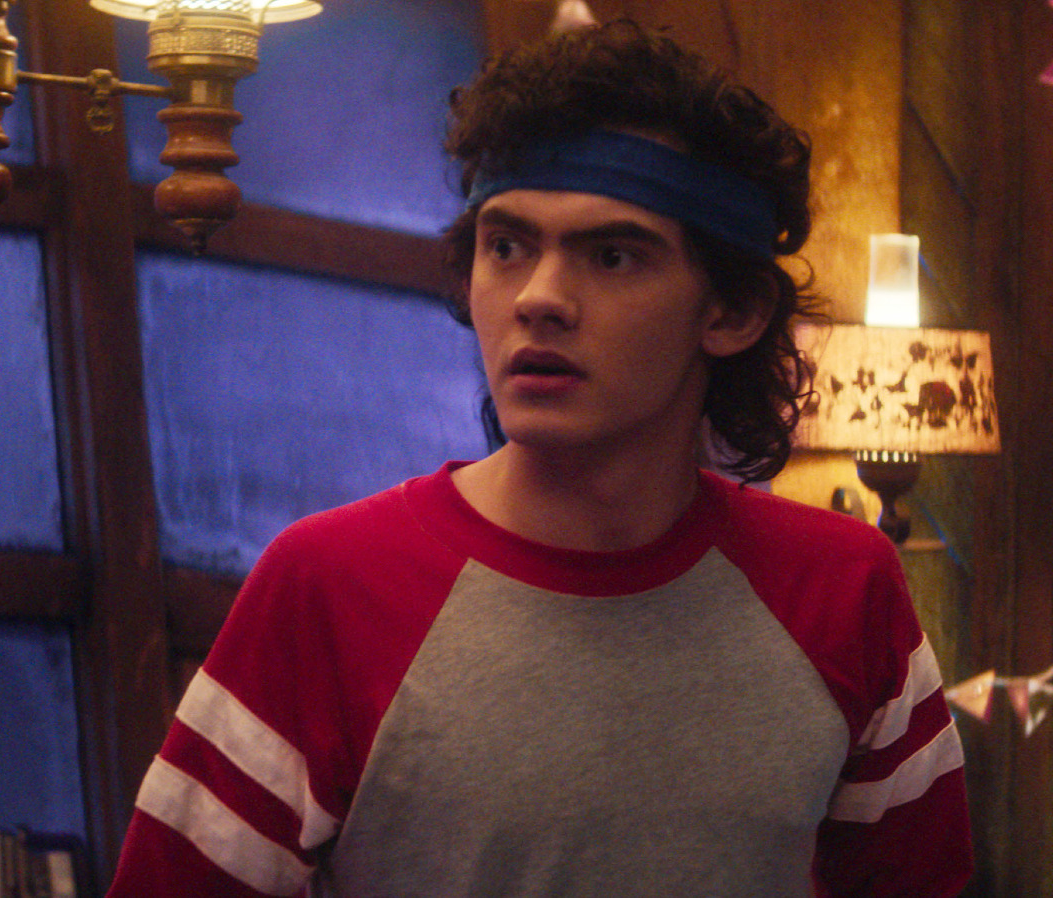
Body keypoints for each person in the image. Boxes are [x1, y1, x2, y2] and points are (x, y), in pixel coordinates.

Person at [106, 20, 973, 898]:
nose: (539, 298)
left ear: (733, 312)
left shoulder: (844, 587)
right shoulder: (326, 586)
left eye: (612, 256)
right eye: (507, 246)